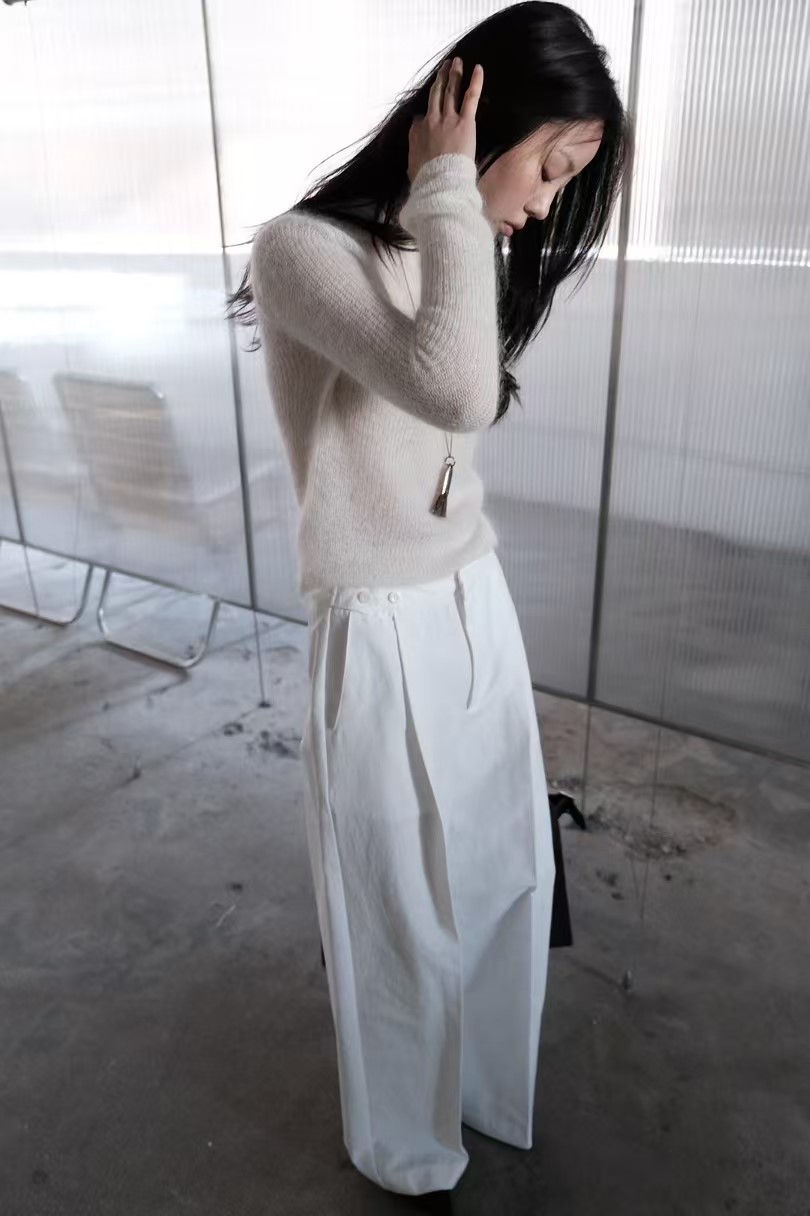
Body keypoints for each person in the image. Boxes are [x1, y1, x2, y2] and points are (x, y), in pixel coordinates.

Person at [228, 2, 631, 1204]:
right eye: (550, 167)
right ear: (479, 120)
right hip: (378, 619)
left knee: (506, 869)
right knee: (396, 906)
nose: (546, 205)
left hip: (470, 597)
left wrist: (455, 209)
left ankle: (487, 1090)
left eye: (569, 182)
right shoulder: (302, 251)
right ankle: (408, 1146)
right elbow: (454, 391)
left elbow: (461, 398)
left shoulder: (447, 244)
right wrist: (449, 189)